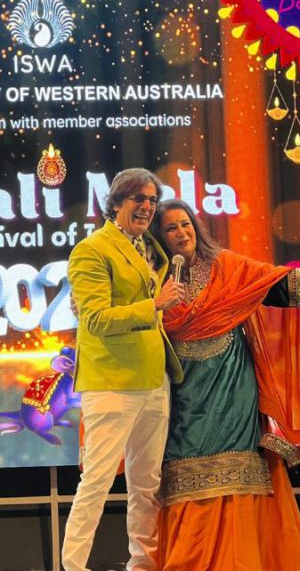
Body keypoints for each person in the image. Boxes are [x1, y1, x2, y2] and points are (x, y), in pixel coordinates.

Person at [148, 200, 300, 568]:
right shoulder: (152, 283)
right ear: (158, 239)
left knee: (241, 480)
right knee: (184, 482)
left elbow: (279, 286)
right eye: (171, 228)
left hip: (233, 392)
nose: (182, 233)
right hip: (182, 400)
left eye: (186, 224)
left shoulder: (229, 268)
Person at [62, 168, 186, 571]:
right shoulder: (91, 250)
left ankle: (143, 565)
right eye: (138, 199)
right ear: (115, 203)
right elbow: (95, 319)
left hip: (154, 381)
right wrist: (153, 306)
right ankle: (73, 566)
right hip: (112, 383)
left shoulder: (150, 247)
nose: (147, 207)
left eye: (152, 200)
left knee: (146, 488)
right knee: (96, 483)